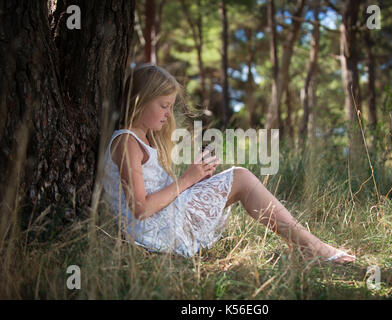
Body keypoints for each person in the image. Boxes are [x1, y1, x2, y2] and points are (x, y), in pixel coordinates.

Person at [102, 63, 356, 264]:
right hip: (152, 232)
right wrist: (187, 179)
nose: (169, 114)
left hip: (160, 222)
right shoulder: (127, 142)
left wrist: (196, 178)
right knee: (242, 177)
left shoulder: (142, 139)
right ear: (140, 101)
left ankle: (308, 245)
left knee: (239, 178)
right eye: (164, 106)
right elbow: (140, 208)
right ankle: (311, 247)